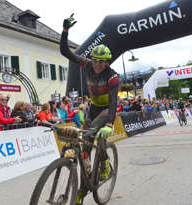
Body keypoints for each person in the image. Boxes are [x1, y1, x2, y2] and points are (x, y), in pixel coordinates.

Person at [60, 14, 119, 203]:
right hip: (92, 108)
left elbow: (112, 102)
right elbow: (66, 53)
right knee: (84, 150)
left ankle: (104, 163)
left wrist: (109, 123)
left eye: (101, 61)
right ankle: (84, 185)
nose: (97, 64)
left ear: (107, 62)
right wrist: (65, 31)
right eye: (95, 60)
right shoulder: (86, 65)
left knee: (100, 134)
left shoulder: (113, 77)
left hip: (105, 110)